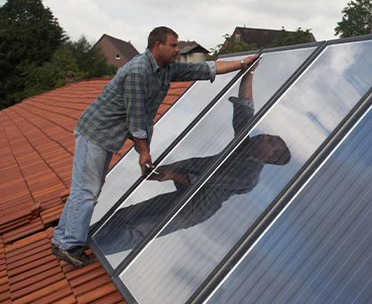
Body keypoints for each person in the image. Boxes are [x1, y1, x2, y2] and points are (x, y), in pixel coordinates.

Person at [51, 26, 260, 267]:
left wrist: (242, 64)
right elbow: (137, 119)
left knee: (87, 188)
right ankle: (68, 244)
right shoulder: (139, 71)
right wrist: (144, 153)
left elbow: (204, 68)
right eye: (173, 45)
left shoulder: (165, 69)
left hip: (107, 137)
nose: (177, 49)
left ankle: (63, 239)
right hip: (96, 134)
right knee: (87, 190)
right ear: (156, 45)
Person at [95, 67, 290, 256]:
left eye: (270, 141)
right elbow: (244, 111)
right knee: (126, 215)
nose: (264, 136)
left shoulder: (248, 177)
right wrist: (249, 74)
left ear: (271, 158)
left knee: (137, 229)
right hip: (183, 194)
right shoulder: (243, 147)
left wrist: (170, 174)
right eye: (269, 136)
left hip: (190, 209)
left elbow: (202, 185)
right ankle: (80, 238)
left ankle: (91, 254)